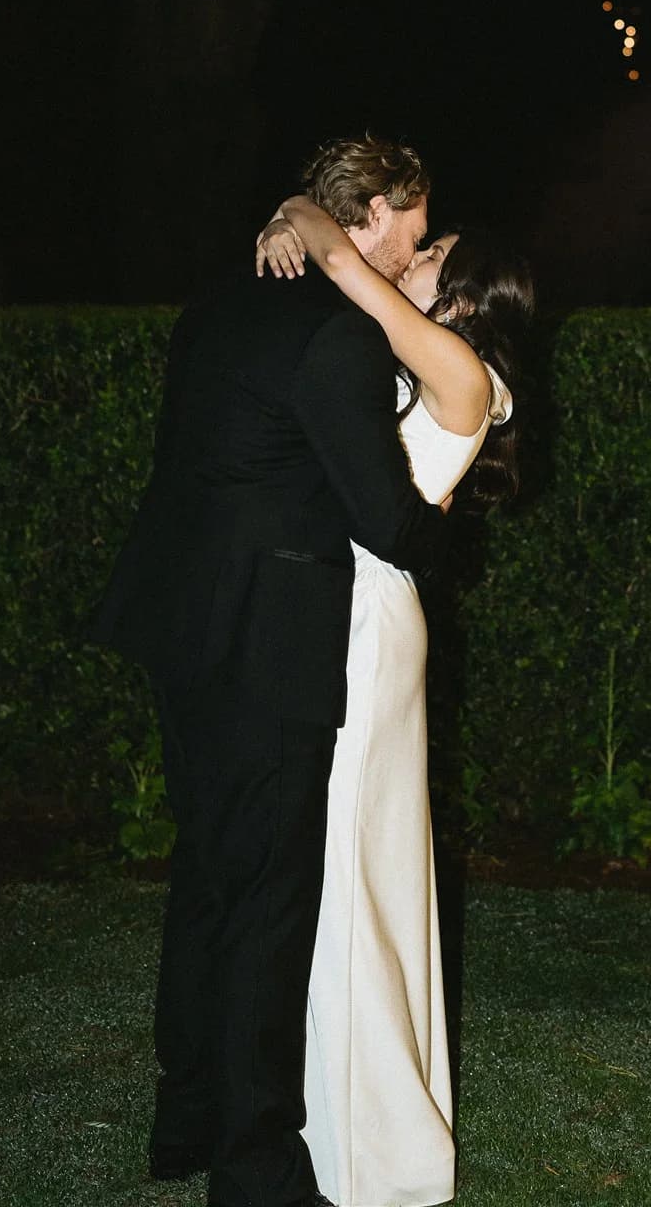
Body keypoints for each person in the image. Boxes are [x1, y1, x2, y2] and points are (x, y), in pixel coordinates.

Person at [90, 135, 449, 1207]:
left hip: (180, 620)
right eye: (413, 229)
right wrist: (457, 543)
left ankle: (185, 1117)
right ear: (372, 211)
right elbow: (384, 517)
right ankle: (256, 1168)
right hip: (266, 643)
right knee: (266, 905)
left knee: (209, 872)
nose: (414, 249)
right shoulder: (337, 334)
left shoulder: (217, 304)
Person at [255, 195, 533, 1207]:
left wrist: (299, 214)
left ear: (461, 295)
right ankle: (338, 1126)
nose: (410, 257)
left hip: (368, 623)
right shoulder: (419, 364)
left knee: (350, 875)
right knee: (346, 871)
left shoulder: (465, 375)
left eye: (432, 251)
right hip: (354, 610)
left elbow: (344, 269)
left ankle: (372, 1154)